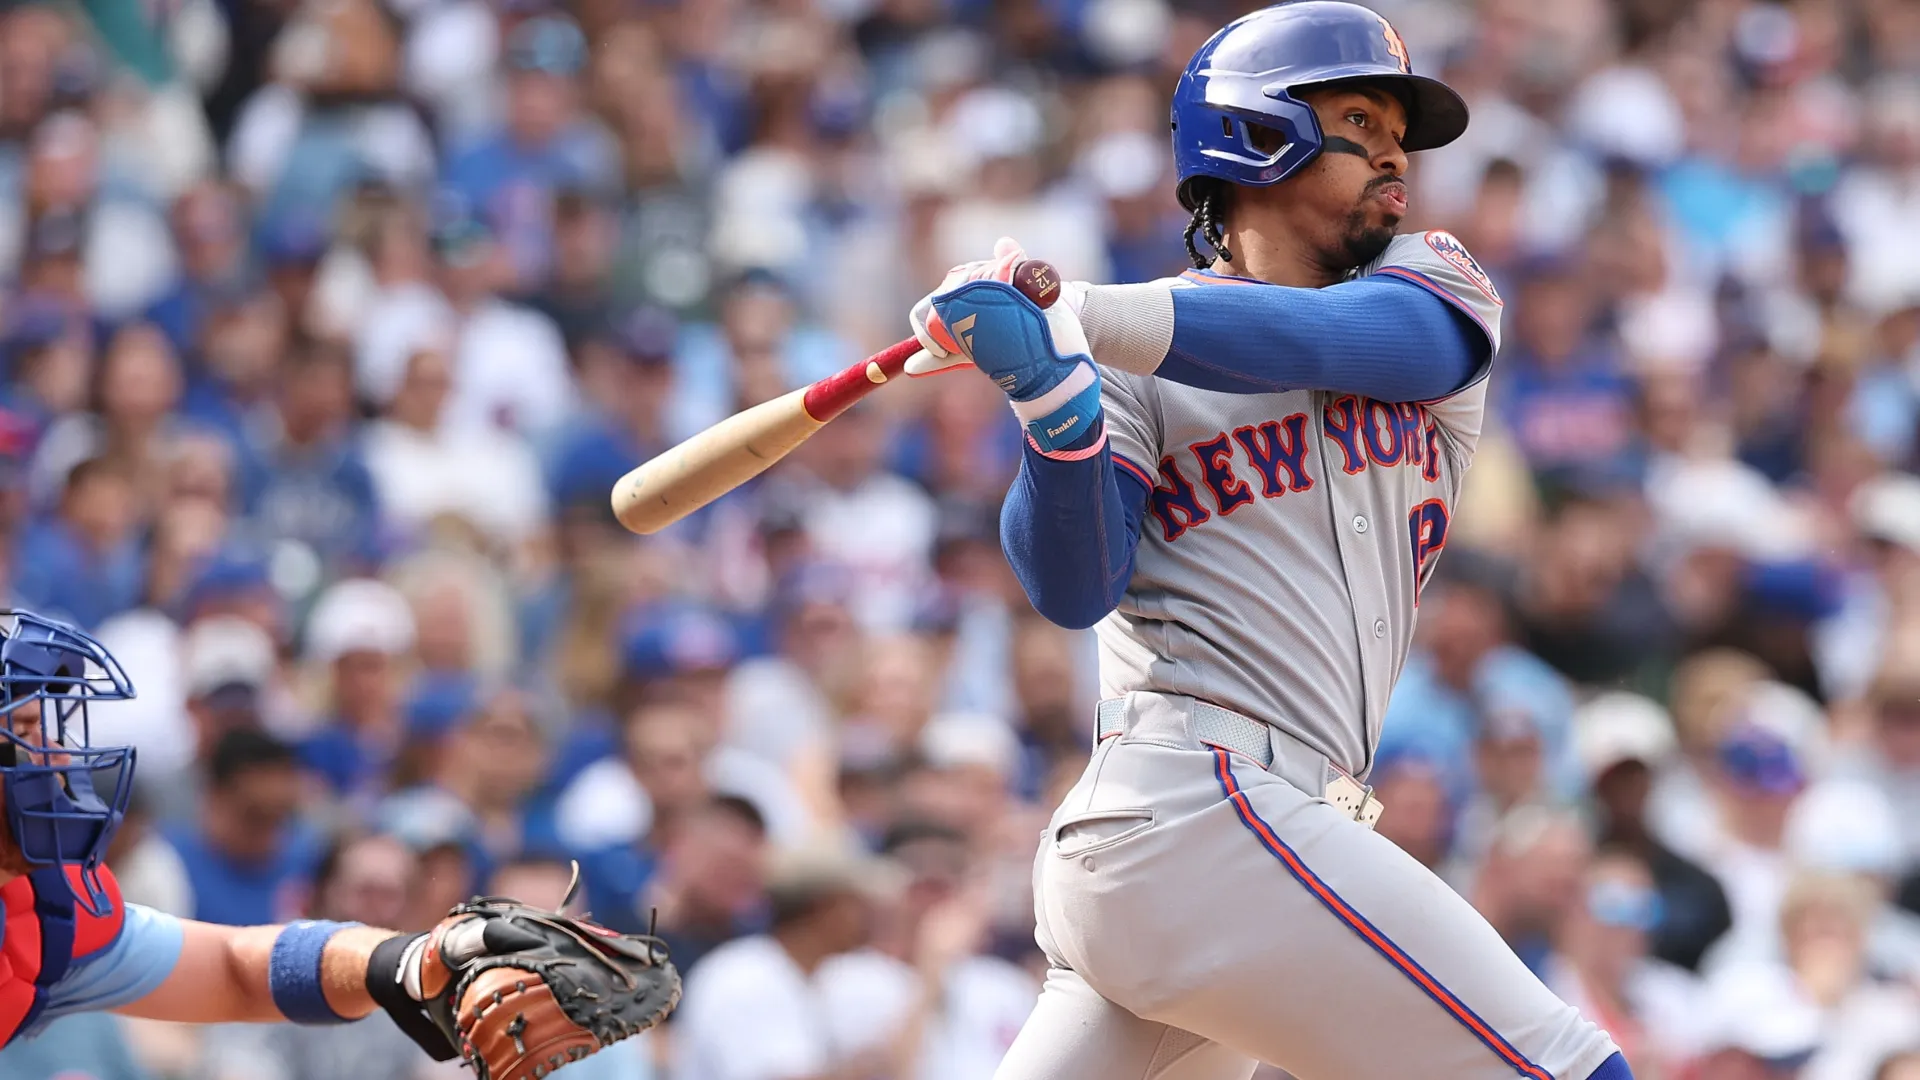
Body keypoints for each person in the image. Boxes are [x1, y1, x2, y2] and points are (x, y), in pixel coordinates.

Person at [902, 4, 1630, 1078]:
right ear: (1252, 136)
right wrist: (1052, 406)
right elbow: (1073, 583)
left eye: (1399, 129)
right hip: (1196, 803)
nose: (1395, 151)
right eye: (1359, 117)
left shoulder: (1433, 285)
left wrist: (1082, 315)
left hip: (1237, 840)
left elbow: (1333, 337)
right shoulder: (1126, 357)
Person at [0, 608, 654, 1072]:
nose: (58, 757)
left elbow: (238, 969)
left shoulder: (45, 912)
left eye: (51, 725)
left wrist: (408, 962)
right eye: (28, 729)